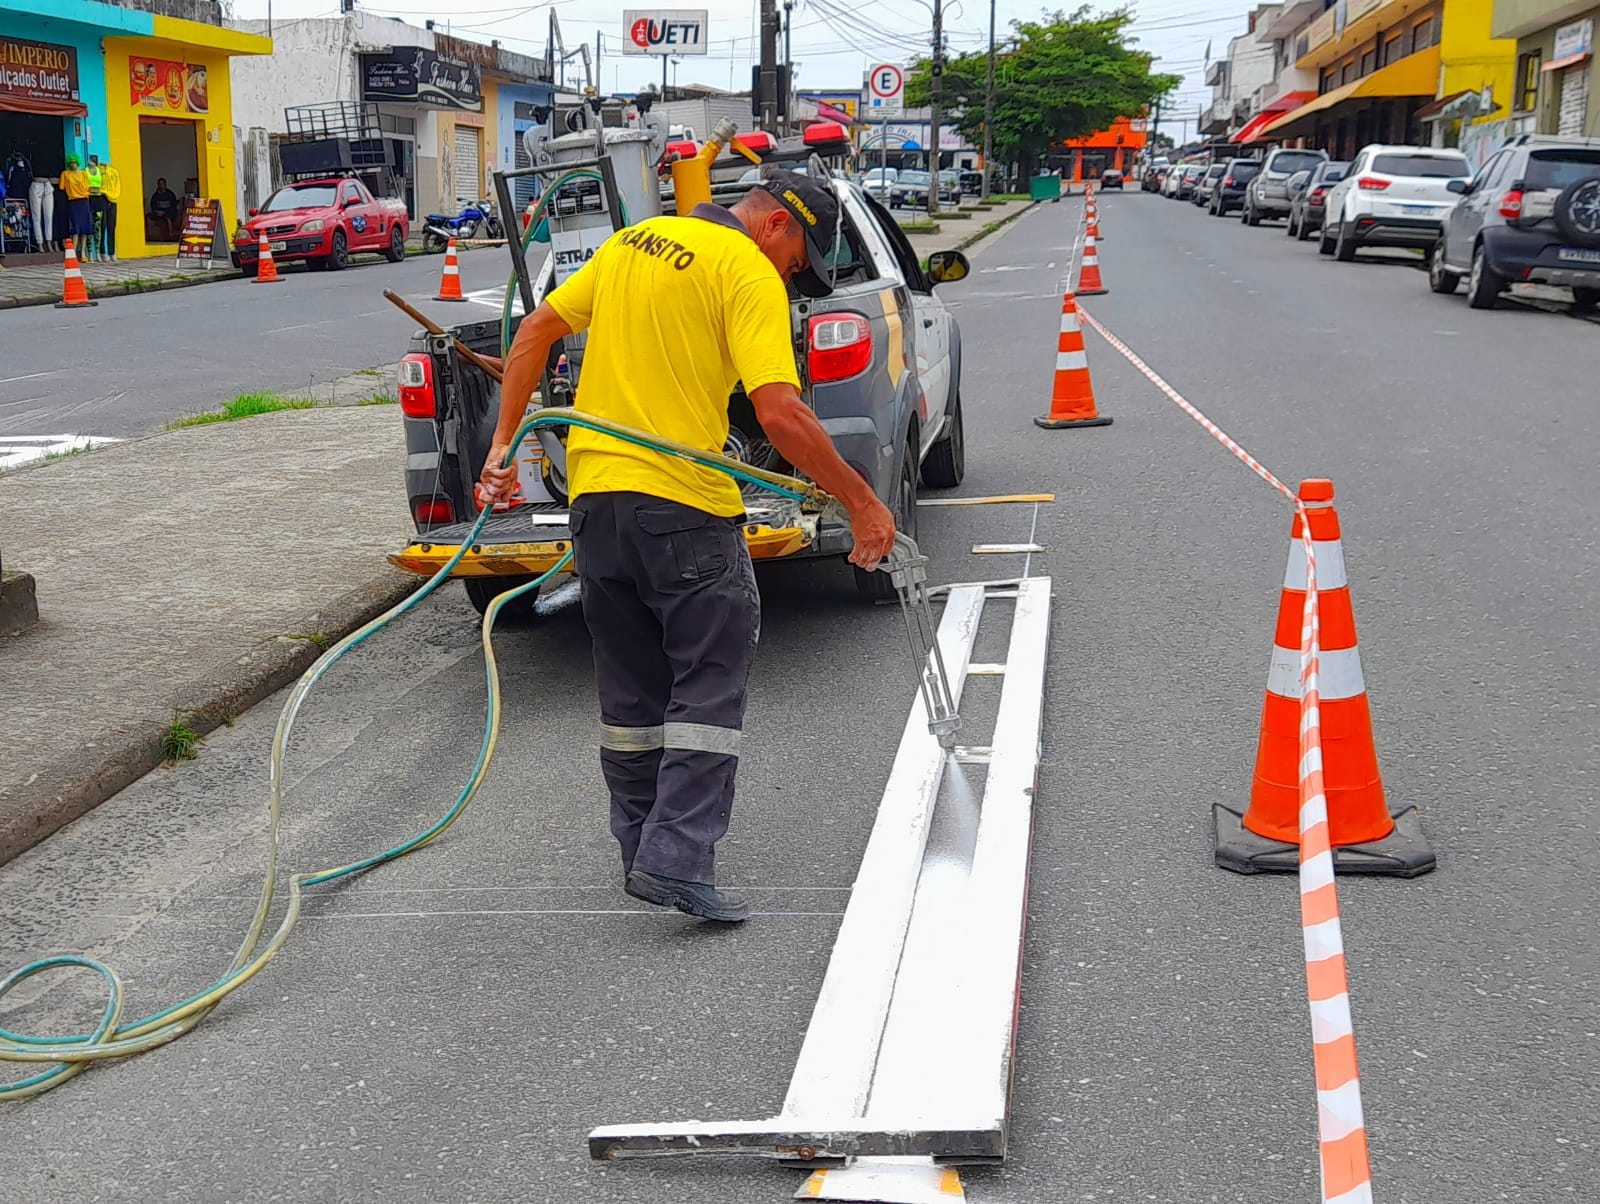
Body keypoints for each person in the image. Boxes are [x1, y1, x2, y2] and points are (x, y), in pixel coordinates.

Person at [478, 170, 896, 923]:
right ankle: (677, 859)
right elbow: (780, 412)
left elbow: (536, 331)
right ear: (777, 228)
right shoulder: (744, 269)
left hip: (595, 504)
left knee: (631, 691)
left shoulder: (631, 241)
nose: (791, 276)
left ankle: (642, 850)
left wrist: (503, 446)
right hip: (684, 507)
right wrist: (861, 500)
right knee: (708, 678)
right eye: (797, 261)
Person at [59, 155, 92, 257]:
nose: (73, 164)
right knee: (76, 227)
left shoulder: (83, 173)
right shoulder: (65, 174)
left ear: (78, 163)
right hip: (73, 201)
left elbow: (88, 187)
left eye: (74, 162)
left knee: (85, 227)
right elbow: (61, 187)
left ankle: (82, 252)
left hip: (84, 201)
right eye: (71, 163)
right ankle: (73, 251)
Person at [98, 156, 121, 262]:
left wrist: (112, 196)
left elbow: (117, 187)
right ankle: (102, 252)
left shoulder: (113, 172)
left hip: (112, 200)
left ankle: (112, 252)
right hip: (101, 199)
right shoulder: (98, 172)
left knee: (111, 227)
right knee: (102, 227)